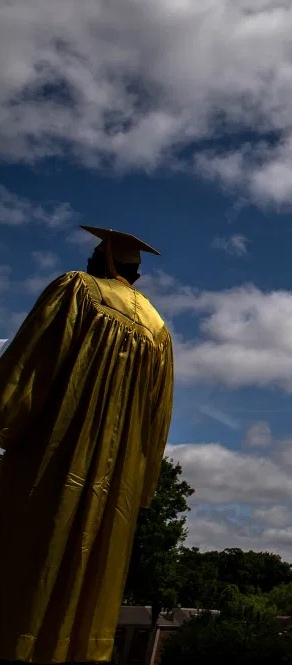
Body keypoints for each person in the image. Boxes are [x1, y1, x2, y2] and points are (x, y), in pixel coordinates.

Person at [0, 226, 175, 665]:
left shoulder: (78, 289)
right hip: (116, 482)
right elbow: (157, 421)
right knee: (92, 565)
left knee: (29, 550)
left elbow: (33, 363)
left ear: (108, 261)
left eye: (96, 253)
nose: (90, 258)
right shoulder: (158, 330)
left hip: (56, 453)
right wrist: (141, 482)